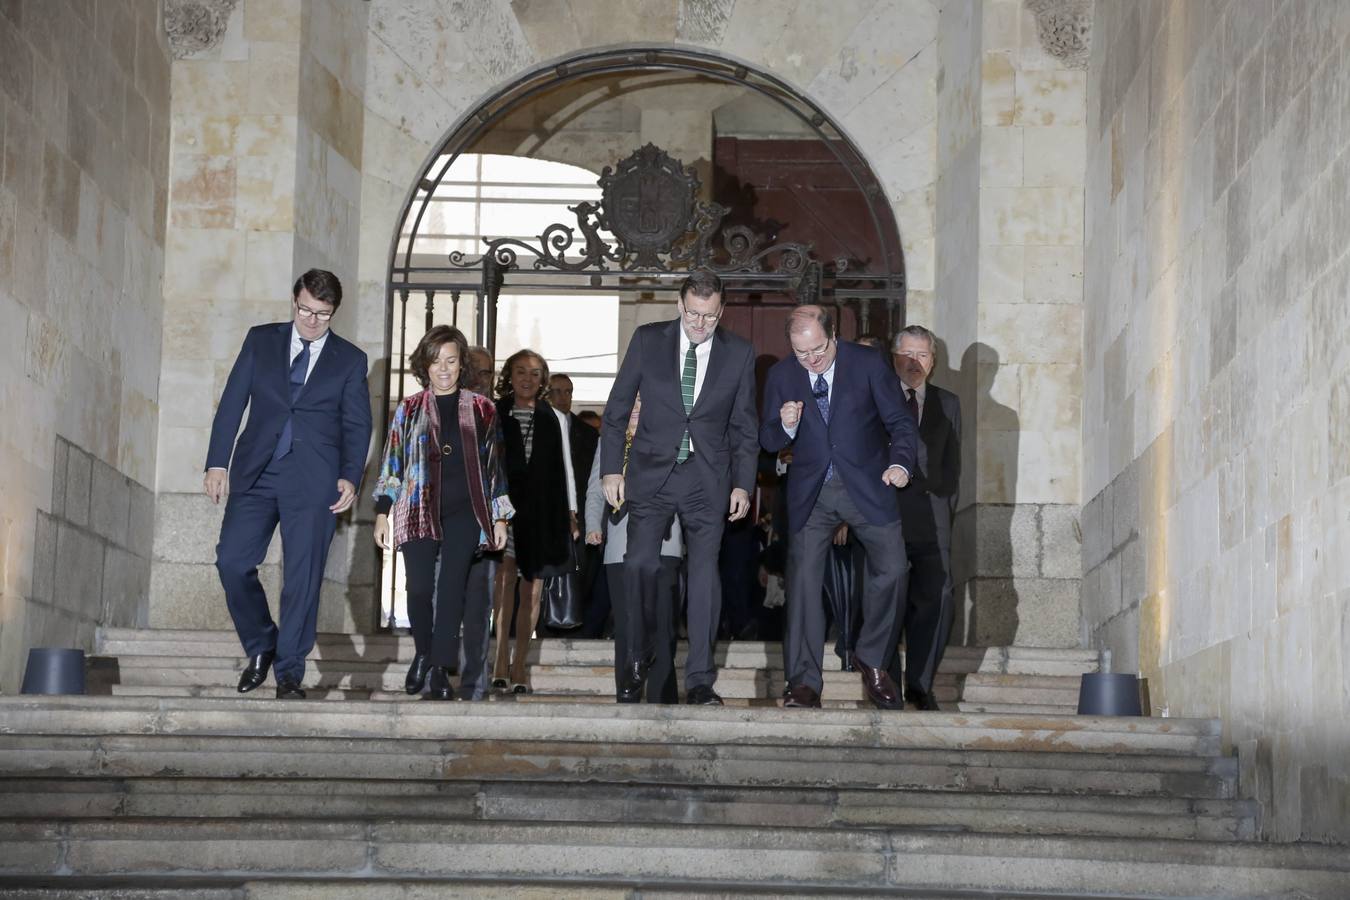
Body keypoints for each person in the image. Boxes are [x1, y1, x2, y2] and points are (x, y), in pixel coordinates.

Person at [205, 269, 373, 699]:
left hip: (315, 481)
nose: (312, 320)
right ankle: (262, 644)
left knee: (303, 577)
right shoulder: (261, 340)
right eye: (305, 310)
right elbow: (232, 402)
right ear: (293, 301)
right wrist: (216, 463)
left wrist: (351, 476)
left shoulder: (350, 360)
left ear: (334, 312)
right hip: (257, 472)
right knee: (232, 561)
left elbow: (358, 425)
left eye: (323, 314)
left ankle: (290, 672)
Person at [600, 269, 758, 705]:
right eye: (693, 313)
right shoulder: (649, 340)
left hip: (708, 479)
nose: (700, 323)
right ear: (679, 305)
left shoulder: (739, 353)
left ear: (721, 310)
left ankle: (701, 680)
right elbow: (615, 411)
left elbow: (745, 427)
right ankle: (637, 655)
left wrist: (743, 485)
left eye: (709, 316)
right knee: (639, 567)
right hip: (652, 474)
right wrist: (612, 470)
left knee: (705, 578)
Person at [759, 305, 917, 710]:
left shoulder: (867, 363)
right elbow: (769, 440)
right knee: (804, 587)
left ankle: (872, 657)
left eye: (818, 350)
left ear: (833, 336)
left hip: (867, 485)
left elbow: (899, 422)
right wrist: (787, 425)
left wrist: (900, 463)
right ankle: (804, 683)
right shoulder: (781, 376)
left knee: (895, 569)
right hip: (811, 494)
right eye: (801, 354)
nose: (810, 360)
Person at [370, 326, 512, 700]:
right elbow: (392, 463)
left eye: (451, 360)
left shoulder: (483, 408)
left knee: (451, 590)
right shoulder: (409, 408)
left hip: (467, 511)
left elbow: (496, 467)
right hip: (418, 509)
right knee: (417, 589)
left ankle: (438, 671)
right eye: (436, 362)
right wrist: (383, 512)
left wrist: (499, 517)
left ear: (461, 363)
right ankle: (423, 651)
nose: (444, 369)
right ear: (425, 365)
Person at [584, 399, 684, 703]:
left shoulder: (674, 436)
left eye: (645, 400)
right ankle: (627, 693)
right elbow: (595, 486)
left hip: (665, 542)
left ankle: (662, 697)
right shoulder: (610, 441)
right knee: (627, 623)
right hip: (619, 543)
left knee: (664, 622)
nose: (638, 407)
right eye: (633, 401)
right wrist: (592, 525)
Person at [492, 349, 578, 691]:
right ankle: (499, 660)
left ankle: (520, 668)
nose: (527, 379)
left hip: (542, 512)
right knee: (504, 584)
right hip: (506, 512)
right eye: (520, 372)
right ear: (509, 376)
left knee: (533, 590)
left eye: (535, 373)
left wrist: (571, 512)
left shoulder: (551, 416)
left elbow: (566, 467)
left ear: (543, 379)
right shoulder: (495, 412)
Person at [888, 324, 962, 711]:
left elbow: (953, 465)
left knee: (937, 598)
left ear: (933, 362)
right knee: (891, 600)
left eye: (923, 355)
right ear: (894, 356)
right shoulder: (878, 398)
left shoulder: (949, 403)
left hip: (933, 520)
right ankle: (885, 681)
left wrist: (945, 515)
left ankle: (919, 684)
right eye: (907, 354)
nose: (914, 363)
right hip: (888, 516)